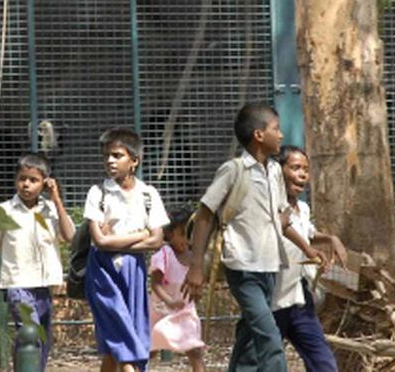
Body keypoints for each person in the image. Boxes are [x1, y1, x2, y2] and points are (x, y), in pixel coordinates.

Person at [183, 103, 322, 372]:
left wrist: (308, 249)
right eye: (276, 129)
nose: (281, 135)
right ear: (259, 135)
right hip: (243, 268)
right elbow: (205, 213)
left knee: (248, 341)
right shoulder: (234, 170)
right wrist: (196, 265)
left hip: (269, 268)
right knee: (270, 338)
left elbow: (281, 220)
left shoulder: (273, 173)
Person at [84, 127, 168, 372]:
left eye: (117, 155)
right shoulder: (98, 193)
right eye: (107, 156)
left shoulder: (148, 194)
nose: (110, 160)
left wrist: (119, 239)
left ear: (134, 161)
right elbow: (100, 241)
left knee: (116, 342)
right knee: (120, 327)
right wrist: (141, 234)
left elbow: (156, 241)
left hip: (134, 271)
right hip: (102, 271)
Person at [0, 153, 75, 372]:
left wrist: (57, 199)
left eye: (33, 180)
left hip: (43, 285)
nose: (26, 184)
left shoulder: (50, 210)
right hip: (17, 284)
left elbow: (69, 235)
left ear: (45, 183)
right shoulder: (3, 211)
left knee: (42, 338)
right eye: (22, 178)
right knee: (29, 332)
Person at [272, 146, 346, 372]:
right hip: (272, 296)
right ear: (278, 171)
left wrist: (331, 238)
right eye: (295, 168)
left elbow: (309, 232)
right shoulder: (271, 206)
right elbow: (284, 230)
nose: (303, 174)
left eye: (305, 169)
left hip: (299, 297)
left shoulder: (302, 208)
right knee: (265, 360)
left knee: (323, 362)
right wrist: (308, 250)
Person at [148, 208, 205, 372]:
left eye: (191, 234)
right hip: (161, 311)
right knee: (150, 350)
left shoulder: (195, 258)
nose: (187, 239)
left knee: (195, 350)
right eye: (182, 233)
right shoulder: (164, 254)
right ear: (170, 234)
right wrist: (170, 301)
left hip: (185, 311)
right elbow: (156, 284)